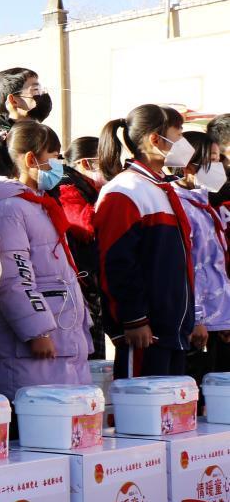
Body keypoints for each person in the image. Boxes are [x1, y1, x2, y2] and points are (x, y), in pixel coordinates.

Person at [0, 122, 92, 402]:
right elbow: (13, 276)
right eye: (54, 156)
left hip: (60, 337)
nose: (59, 165)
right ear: (31, 159)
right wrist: (37, 331)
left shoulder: (38, 204)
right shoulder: (9, 208)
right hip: (33, 344)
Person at [94, 104, 196, 378]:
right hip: (145, 332)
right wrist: (134, 318)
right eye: (179, 134)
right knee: (143, 402)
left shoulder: (161, 187)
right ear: (155, 139)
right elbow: (116, 262)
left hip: (171, 329)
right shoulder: (125, 190)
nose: (184, 143)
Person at [174, 130, 230, 380]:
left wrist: (225, 316)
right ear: (188, 166)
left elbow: (216, 266)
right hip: (197, 322)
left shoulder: (204, 204)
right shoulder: (180, 206)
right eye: (213, 161)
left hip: (216, 318)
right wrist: (196, 319)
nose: (219, 168)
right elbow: (190, 266)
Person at [56, 135, 106, 358]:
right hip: (80, 283)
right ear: (86, 163)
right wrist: (109, 198)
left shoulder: (87, 187)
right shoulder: (66, 185)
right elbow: (84, 226)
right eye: (107, 162)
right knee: (88, 354)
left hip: (91, 279)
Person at [0, 68, 50, 140]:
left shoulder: (24, 131)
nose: (42, 94)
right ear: (13, 100)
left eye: (41, 89)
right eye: (36, 90)